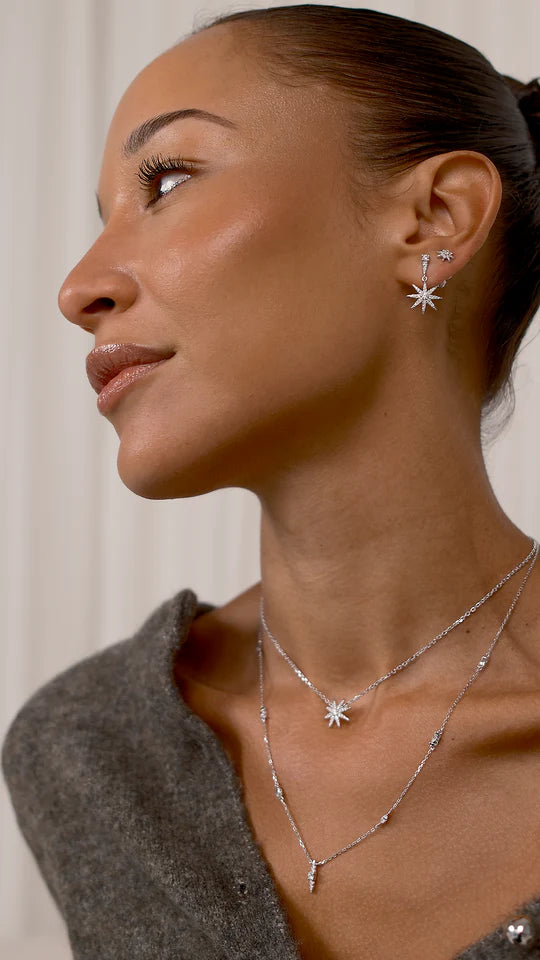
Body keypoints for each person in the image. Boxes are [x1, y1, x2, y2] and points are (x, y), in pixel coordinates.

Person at [3, 4, 540, 958]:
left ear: (435, 218)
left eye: (166, 181)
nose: (79, 288)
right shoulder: (92, 754)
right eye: (103, 217)